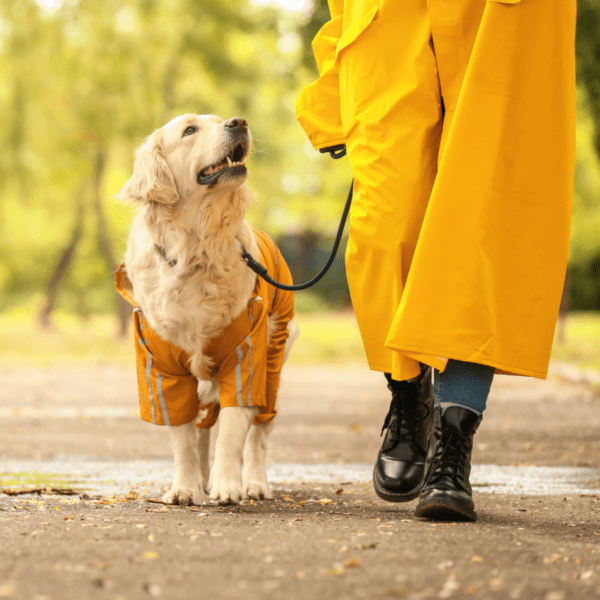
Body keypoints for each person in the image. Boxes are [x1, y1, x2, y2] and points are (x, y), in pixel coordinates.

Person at [296, 0, 576, 521]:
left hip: (499, 21)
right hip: (386, 30)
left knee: (478, 235)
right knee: (384, 230)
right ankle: (408, 394)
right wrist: (332, 92)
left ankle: (454, 441)